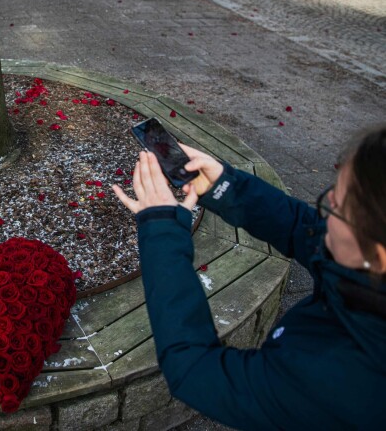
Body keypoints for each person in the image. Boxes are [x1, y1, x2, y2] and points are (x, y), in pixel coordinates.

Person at [112, 124, 386, 430]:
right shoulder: (365, 270)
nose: (326, 207)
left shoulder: (339, 381)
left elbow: (195, 370)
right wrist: (224, 187)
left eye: (336, 206)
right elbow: (304, 229)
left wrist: (161, 230)